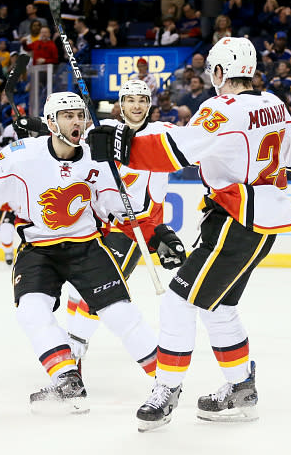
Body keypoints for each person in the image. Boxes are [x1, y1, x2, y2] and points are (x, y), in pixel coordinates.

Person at [86, 37, 291, 431]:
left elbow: (172, 150)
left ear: (218, 72)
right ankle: (240, 389)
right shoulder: (275, 106)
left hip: (235, 220)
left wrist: (119, 144)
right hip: (259, 221)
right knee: (218, 307)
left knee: (177, 302)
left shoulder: (221, 108)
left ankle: (166, 389)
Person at [0, 92, 175, 412]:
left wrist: (157, 236)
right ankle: (67, 379)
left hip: (87, 247)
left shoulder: (97, 158)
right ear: (51, 122)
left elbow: (119, 212)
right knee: (31, 310)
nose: (77, 122)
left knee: (121, 314)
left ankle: (168, 383)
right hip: (38, 250)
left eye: (80, 115)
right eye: (68, 116)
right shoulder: (19, 155)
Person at [65, 80, 186, 371]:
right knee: (77, 289)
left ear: (150, 104)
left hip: (137, 228)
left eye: (142, 100)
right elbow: (70, 152)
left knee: (101, 292)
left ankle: (73, 357)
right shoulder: (102, 131)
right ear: (120, 103)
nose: (136, 106)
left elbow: (198, 146)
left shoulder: (163, 133)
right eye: (130, 100)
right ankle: (73, 344)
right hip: (100, 224)